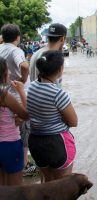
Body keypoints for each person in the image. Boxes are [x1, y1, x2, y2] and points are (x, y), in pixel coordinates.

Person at [27, 50, 78, 182]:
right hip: (57, 143)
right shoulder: (58, 94)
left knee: (47, 183)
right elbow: (73, 122)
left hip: (35, 142)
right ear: (60, 69)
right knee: (62, 187)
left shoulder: (31, 88)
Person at [0, 24, 30, 170]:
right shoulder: (15, 50)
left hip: (3, 95)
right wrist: (23, 80)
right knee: (22, 135)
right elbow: (24, 66)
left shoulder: (0, 48)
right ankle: (23, 164)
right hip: (16, 97)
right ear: (18, 37)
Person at [0, 57, 28, 186]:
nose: (10, 73)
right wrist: (21, 91)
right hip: (9, 145)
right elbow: (27, 115)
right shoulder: (4, 96)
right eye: (8, 70)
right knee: (15, 189)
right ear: (3, 73)